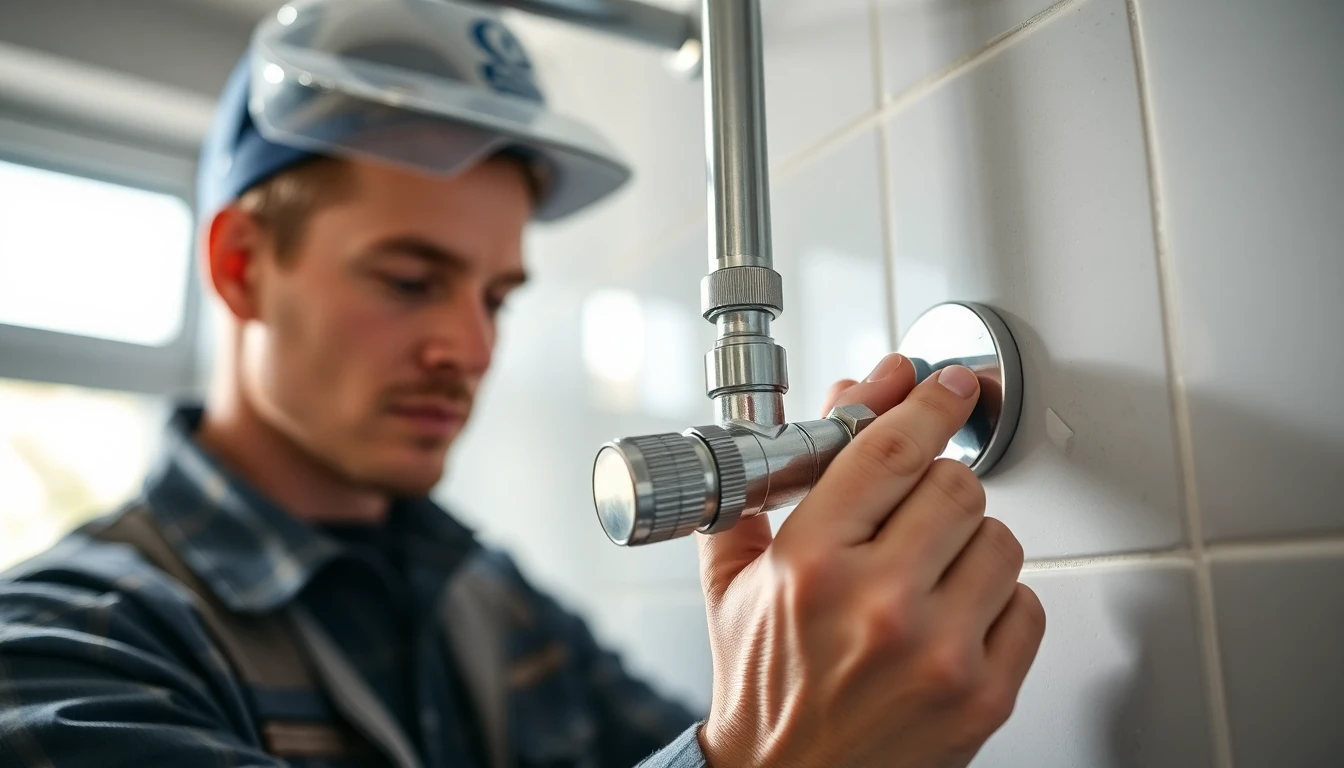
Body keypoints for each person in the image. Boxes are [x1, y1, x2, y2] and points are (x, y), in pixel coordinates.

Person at [0, 1, 1045, 766]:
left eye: (496, 296)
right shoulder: (61, 658)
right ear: (240, 266)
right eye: (410, 280)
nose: (470, 345)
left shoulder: (488, 601)